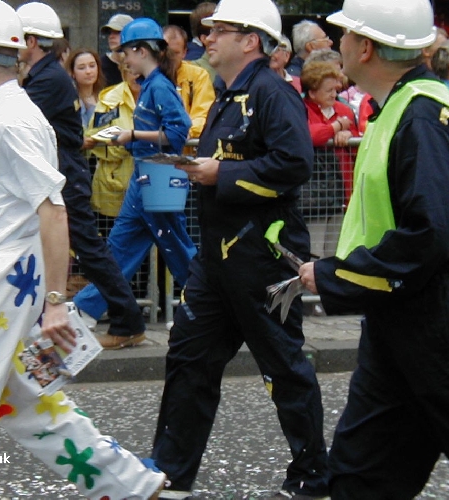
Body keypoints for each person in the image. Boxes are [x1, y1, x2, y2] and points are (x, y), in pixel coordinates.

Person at [0, 1, 167, 498]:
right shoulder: (6, 114)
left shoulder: (8, 120)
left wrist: (56, 301)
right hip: (3, 285)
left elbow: (53, 210)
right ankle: (130, 487)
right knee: (30, 404)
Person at [150, 0, 329, 497]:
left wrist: (221, 174)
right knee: (189, 358)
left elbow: (294, 164)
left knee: (283, 366)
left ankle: (313, 476)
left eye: (218, 30)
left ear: (251, 40)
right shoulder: (227, 95)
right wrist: (198, 167)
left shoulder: (274, 93)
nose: (206, 38)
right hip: (216, 260)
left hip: (262, 258)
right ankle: (170, 472)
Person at [298, 0, 449, 497]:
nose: (338, 44)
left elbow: (426, 236)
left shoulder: (421, 116)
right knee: (359, 477)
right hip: (400, 322)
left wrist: (335, 275)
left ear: (366, 47)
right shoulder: (399, 108)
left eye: (345, 35)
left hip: (438, 326)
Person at [0, 1, 148, 349]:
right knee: (80, 247)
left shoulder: (46, 81)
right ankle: (108, 318)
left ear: (32, 41)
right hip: (60, 170)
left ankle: (126, 318)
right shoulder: (45, 77)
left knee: (87, 248)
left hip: (61, 173)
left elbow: (3, 122)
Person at [73, 17, 196, 348]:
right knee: (122, 246)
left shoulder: (158, 87)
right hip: (148, 176)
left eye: (126, 52)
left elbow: (177, 131)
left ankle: (207, 307)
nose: (123, 59)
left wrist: (131, 135)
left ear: (142, 51)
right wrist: (128, 137)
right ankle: (86, 310)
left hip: (158, 175)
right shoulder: (154, 85)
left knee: (175, 248)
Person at [300, 60, 359, 259]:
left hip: (342, 191)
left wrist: (349, 134)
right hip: (312, 195)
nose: (334, 94)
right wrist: (336, 127)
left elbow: (358, 144)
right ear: (312, 92)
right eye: (328, 90)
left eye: (336, 89)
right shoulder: (301, 109)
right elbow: (310, 135)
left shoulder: (345, 111)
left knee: (337, 252)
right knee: (314, 252)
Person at [87, 62, 141, 230]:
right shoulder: (110, 99)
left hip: (149, 183)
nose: (136, 75)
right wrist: (130, 144)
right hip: (113, 185)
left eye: (139, 71)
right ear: (124, 73)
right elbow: (94, 136)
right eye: (131, 71)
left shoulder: (158, 95)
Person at [163, 24, 215, 140]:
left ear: (184, 52)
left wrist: (181, 133)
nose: (170, 57)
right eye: (166, 51)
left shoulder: (198, 75)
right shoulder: (148, 74)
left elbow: (203, 114)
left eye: (175, 53)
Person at [66, 47, 105, 131]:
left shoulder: (106, 97)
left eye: (92, 66)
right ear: (72, 72)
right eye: (81, 68)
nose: (88, 71)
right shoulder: (70, 100)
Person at [99, 13, 134, 86]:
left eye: (117, 32)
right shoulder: (99, 66)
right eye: (109, 32)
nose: (111, 36)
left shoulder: (140, 65)